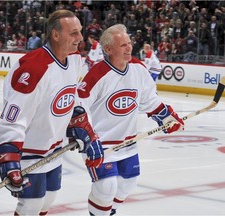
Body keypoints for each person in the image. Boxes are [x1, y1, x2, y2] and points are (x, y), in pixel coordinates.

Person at [0, 9, 104, 216]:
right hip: (29, 152)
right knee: (31, 206)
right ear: (55, 35)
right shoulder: (34, 68)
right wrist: (9, 157)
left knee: (48, 200)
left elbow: (71, 99)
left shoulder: (73, 60)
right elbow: (13, 117)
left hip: (54, 150)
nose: (80, 38)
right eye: (73, 33)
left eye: (80, 32)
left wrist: (81, 124)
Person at [77, 24, 184, 216]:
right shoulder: (96, 74)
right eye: (122, 45)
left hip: (127, 141)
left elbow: (149, 100)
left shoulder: (138, 68)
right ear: (108, 49)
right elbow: (79, 107)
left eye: (129, 43)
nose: (129, 48)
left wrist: (166, 117)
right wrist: (88, 137)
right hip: (100, 144)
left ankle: (110, 212)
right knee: (106, 187)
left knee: (127, 184)